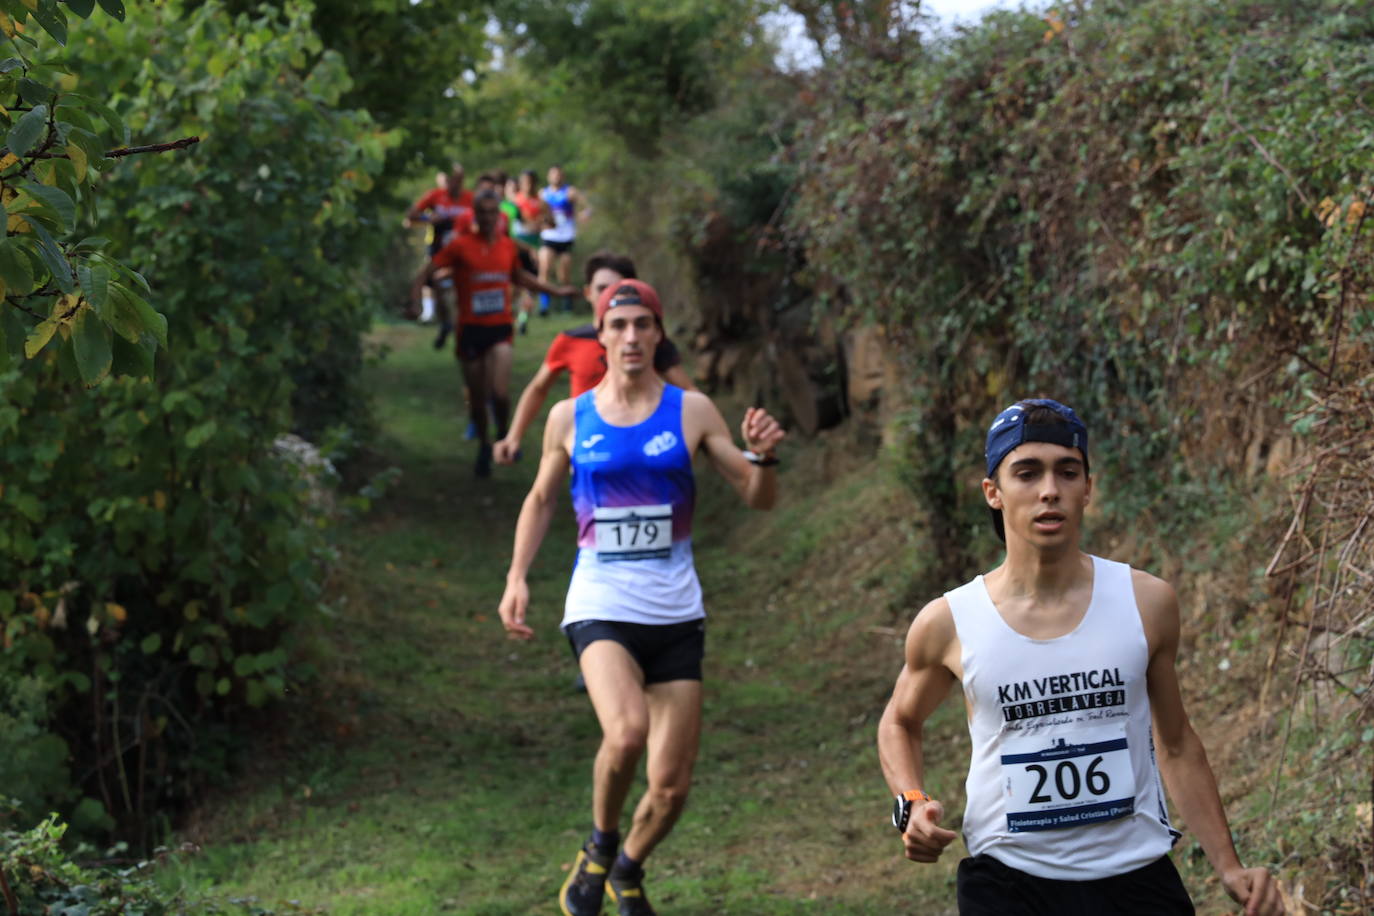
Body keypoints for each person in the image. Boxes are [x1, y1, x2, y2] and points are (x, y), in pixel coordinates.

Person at [875, 399, 1283, 915]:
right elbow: (899, 720)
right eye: (1027, 473)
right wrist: (910, 803)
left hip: (1135, 879)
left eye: (1067, 472)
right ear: (993, 493)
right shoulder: (950, 621)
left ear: (1087, 488)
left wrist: (1229, 865)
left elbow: (1176, 744)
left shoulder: (1147, 602)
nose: (1050, 490)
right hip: (1008, 883)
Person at [497, 279, 785, 916]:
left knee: (671, 789)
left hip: (677, 613)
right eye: (618, 325)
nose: (631, 337)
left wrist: (763, 459)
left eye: (643, 325)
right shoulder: (570, 418)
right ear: (599, 335)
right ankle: (599, 849)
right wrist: (518, 576)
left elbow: (757, 497)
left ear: (658, 334)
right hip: (600, 604)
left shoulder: (692, 410)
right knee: (625, 732)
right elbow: (543, 498)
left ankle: (628, 868)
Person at [410, 189, 577, 477]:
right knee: (476, 397)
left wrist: (555, 290)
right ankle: (484, 447)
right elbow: (426, 272)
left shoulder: (507, 246)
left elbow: (520, 277)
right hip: (470, 330)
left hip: (500, 329)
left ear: (498, 216)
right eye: (483, 212)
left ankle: (503, 433)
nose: (488, 218)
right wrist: (416, 299)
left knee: (499, 393)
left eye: (492, 212)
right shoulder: (461, 246)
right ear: (475, 215)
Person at [492, 251, 694, 466]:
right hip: (588, 450)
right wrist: (514, 437)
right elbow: (538, 388)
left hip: (645, 449)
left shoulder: (647, 341)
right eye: (602, 289)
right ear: (588, 292)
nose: (611, 296)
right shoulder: (571, 340)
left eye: (618, 288)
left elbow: (687, 392)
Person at [406, 162, 472, 350]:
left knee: (462, 289)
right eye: (450, 179)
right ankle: (445, 323)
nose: (453, 183)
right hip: (438, 250)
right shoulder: (435, 196)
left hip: (463, 251)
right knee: (437, 287)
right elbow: (410, 216)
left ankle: (463, 332)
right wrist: (429, 219)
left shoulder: (470, 198)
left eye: (457, 179)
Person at [538, 164, 588, 315]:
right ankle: (544, 307)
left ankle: (567, 306)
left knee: (564, 273)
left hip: (566, 236)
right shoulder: (542, 194)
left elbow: (586, 206)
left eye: (559, 174)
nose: (556, 177)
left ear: (563, 176)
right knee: (545, 268)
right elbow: (534, 211)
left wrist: (583, 216)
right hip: (549, 236)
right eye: (553, 174)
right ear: (548, 177)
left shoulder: (570, 192)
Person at [511, 170, 549, 334]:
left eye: (531, 181)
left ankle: (522, 319)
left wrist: (542, 223)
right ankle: (510, 317)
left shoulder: (540, 202)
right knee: (513, 286)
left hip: (534, 247)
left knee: (530, 286)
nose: (528, 184)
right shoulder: (515, 201)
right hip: (516, 247)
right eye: (525, 181)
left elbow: (550, 221)